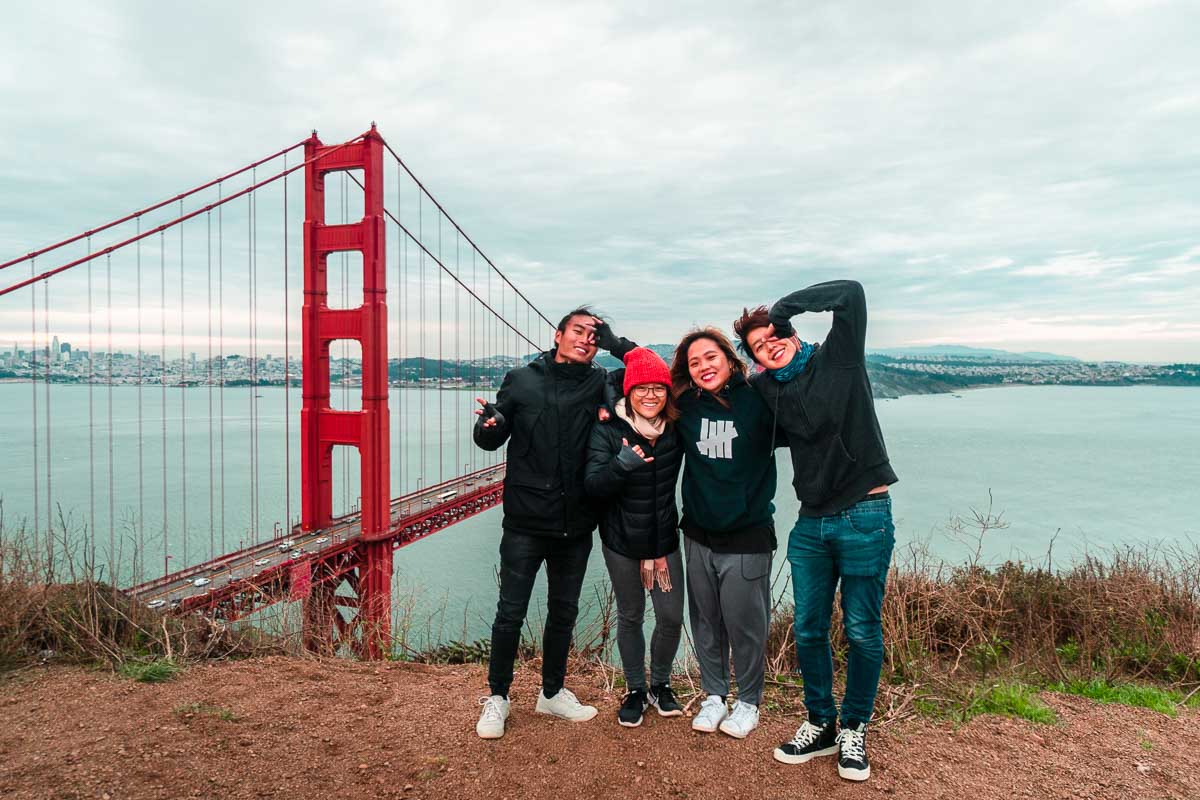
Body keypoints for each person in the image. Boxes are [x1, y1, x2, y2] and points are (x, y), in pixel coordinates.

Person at [733, 280, 897, 782]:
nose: (770, 345)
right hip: (811, 523)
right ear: (757, 360)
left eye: (774, 335)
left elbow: (850, 293)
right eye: (758, 346)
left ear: (790, 331)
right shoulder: (767, 388)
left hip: (865, 515)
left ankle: (854, 727)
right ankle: (820, 722)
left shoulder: (838, 357)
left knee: (862, 629)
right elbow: (717, 396)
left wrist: (784, 308)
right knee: (808, 629)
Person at [472, 308, 635, 739]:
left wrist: (617, 344)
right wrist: (490, 424)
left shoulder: (602, 382)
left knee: (564, 613)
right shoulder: (521, 380)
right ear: (558, 334)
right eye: (578, 331)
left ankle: (552, 692)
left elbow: (648, 373)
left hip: (577, 521)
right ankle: (498, 697)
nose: (586, 340)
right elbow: (492, 436)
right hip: (526, 519)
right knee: (510, 612)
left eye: (594, 337)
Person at [669, 327, 785, 739]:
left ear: (730, 359)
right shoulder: (684, 406)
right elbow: (636, 388)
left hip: (747, 534)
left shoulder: (759, 400)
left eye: (710, 358)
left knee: (746, 626)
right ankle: (714, 695)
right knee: (705, 620)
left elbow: (808, 417)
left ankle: (749, 702)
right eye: (694, 362)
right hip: (698, 533)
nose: (703, 367)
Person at [584, 346, 685, 727]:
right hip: (622, 541)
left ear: (667, 391)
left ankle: (661, 684)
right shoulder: (608, 429)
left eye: (657, 388)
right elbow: (593, 486)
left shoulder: (675, 427)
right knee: (630, 616)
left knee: (671, 617)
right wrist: (620, 466)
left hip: (663, 541)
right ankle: (636, 689)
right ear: (627, 391)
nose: (649, 395)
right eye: (640, 388)